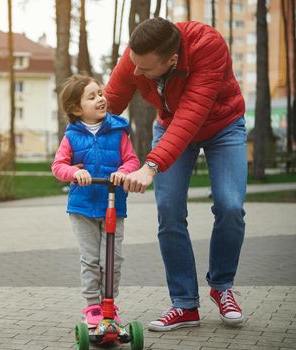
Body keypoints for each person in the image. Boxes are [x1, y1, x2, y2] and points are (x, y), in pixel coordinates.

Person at [104, 17, 247, 331]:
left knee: (230, 206)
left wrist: (151, 166)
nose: (136, 73)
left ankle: (222, 287)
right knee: (168, 211)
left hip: (223, 126)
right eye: (134, 64)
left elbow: (192, 112)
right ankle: (184, 305)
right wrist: (78, 143)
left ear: (172, 60)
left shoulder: (208, 46)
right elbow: (109, 103)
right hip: (170, 127)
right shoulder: (137, 57)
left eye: (145, 69)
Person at [52, 74, 140, 327]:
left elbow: (132, 160)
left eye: (100, 93)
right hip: (83, 208)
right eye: (92, 97)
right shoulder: (71, 136)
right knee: (90, 259)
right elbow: (58, 166)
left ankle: (109, 304)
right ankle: (92, 306)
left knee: (112, 259)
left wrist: (124, 172)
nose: (100, 99)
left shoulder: (118, 131)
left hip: (114, 205)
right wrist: (74, 172)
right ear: (77, 109)